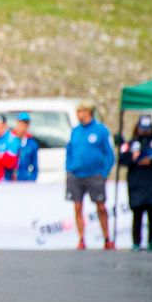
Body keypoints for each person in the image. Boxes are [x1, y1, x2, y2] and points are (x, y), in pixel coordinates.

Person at [65, 101, 116, 250]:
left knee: (100, 206)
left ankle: (107, 238)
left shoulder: (100, 130)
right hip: (76, 174)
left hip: (94, 175)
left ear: (88, 112)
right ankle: (81, 238)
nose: (78, 115)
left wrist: (104, 172)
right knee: (77, 206)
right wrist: (69, 168)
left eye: (81, 111)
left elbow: (109, 154)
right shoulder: (75, 131)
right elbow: (69, 151)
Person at [119, 115, 152, 250]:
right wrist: (133, 159)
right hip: (137, 184)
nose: (144, 131)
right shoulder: (132, 143)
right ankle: (136, 242)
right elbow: (123, 159)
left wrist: (151, 161)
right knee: (137, 215)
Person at [0, 112, 40, 182]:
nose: (23, 126)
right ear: (17, 123)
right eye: (21, 123)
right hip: (8, 179)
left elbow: (35, 165)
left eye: (25, 123)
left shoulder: (32, 143)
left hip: (24, 180)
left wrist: (32, 179)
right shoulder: (8, 140)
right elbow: (2, 158)